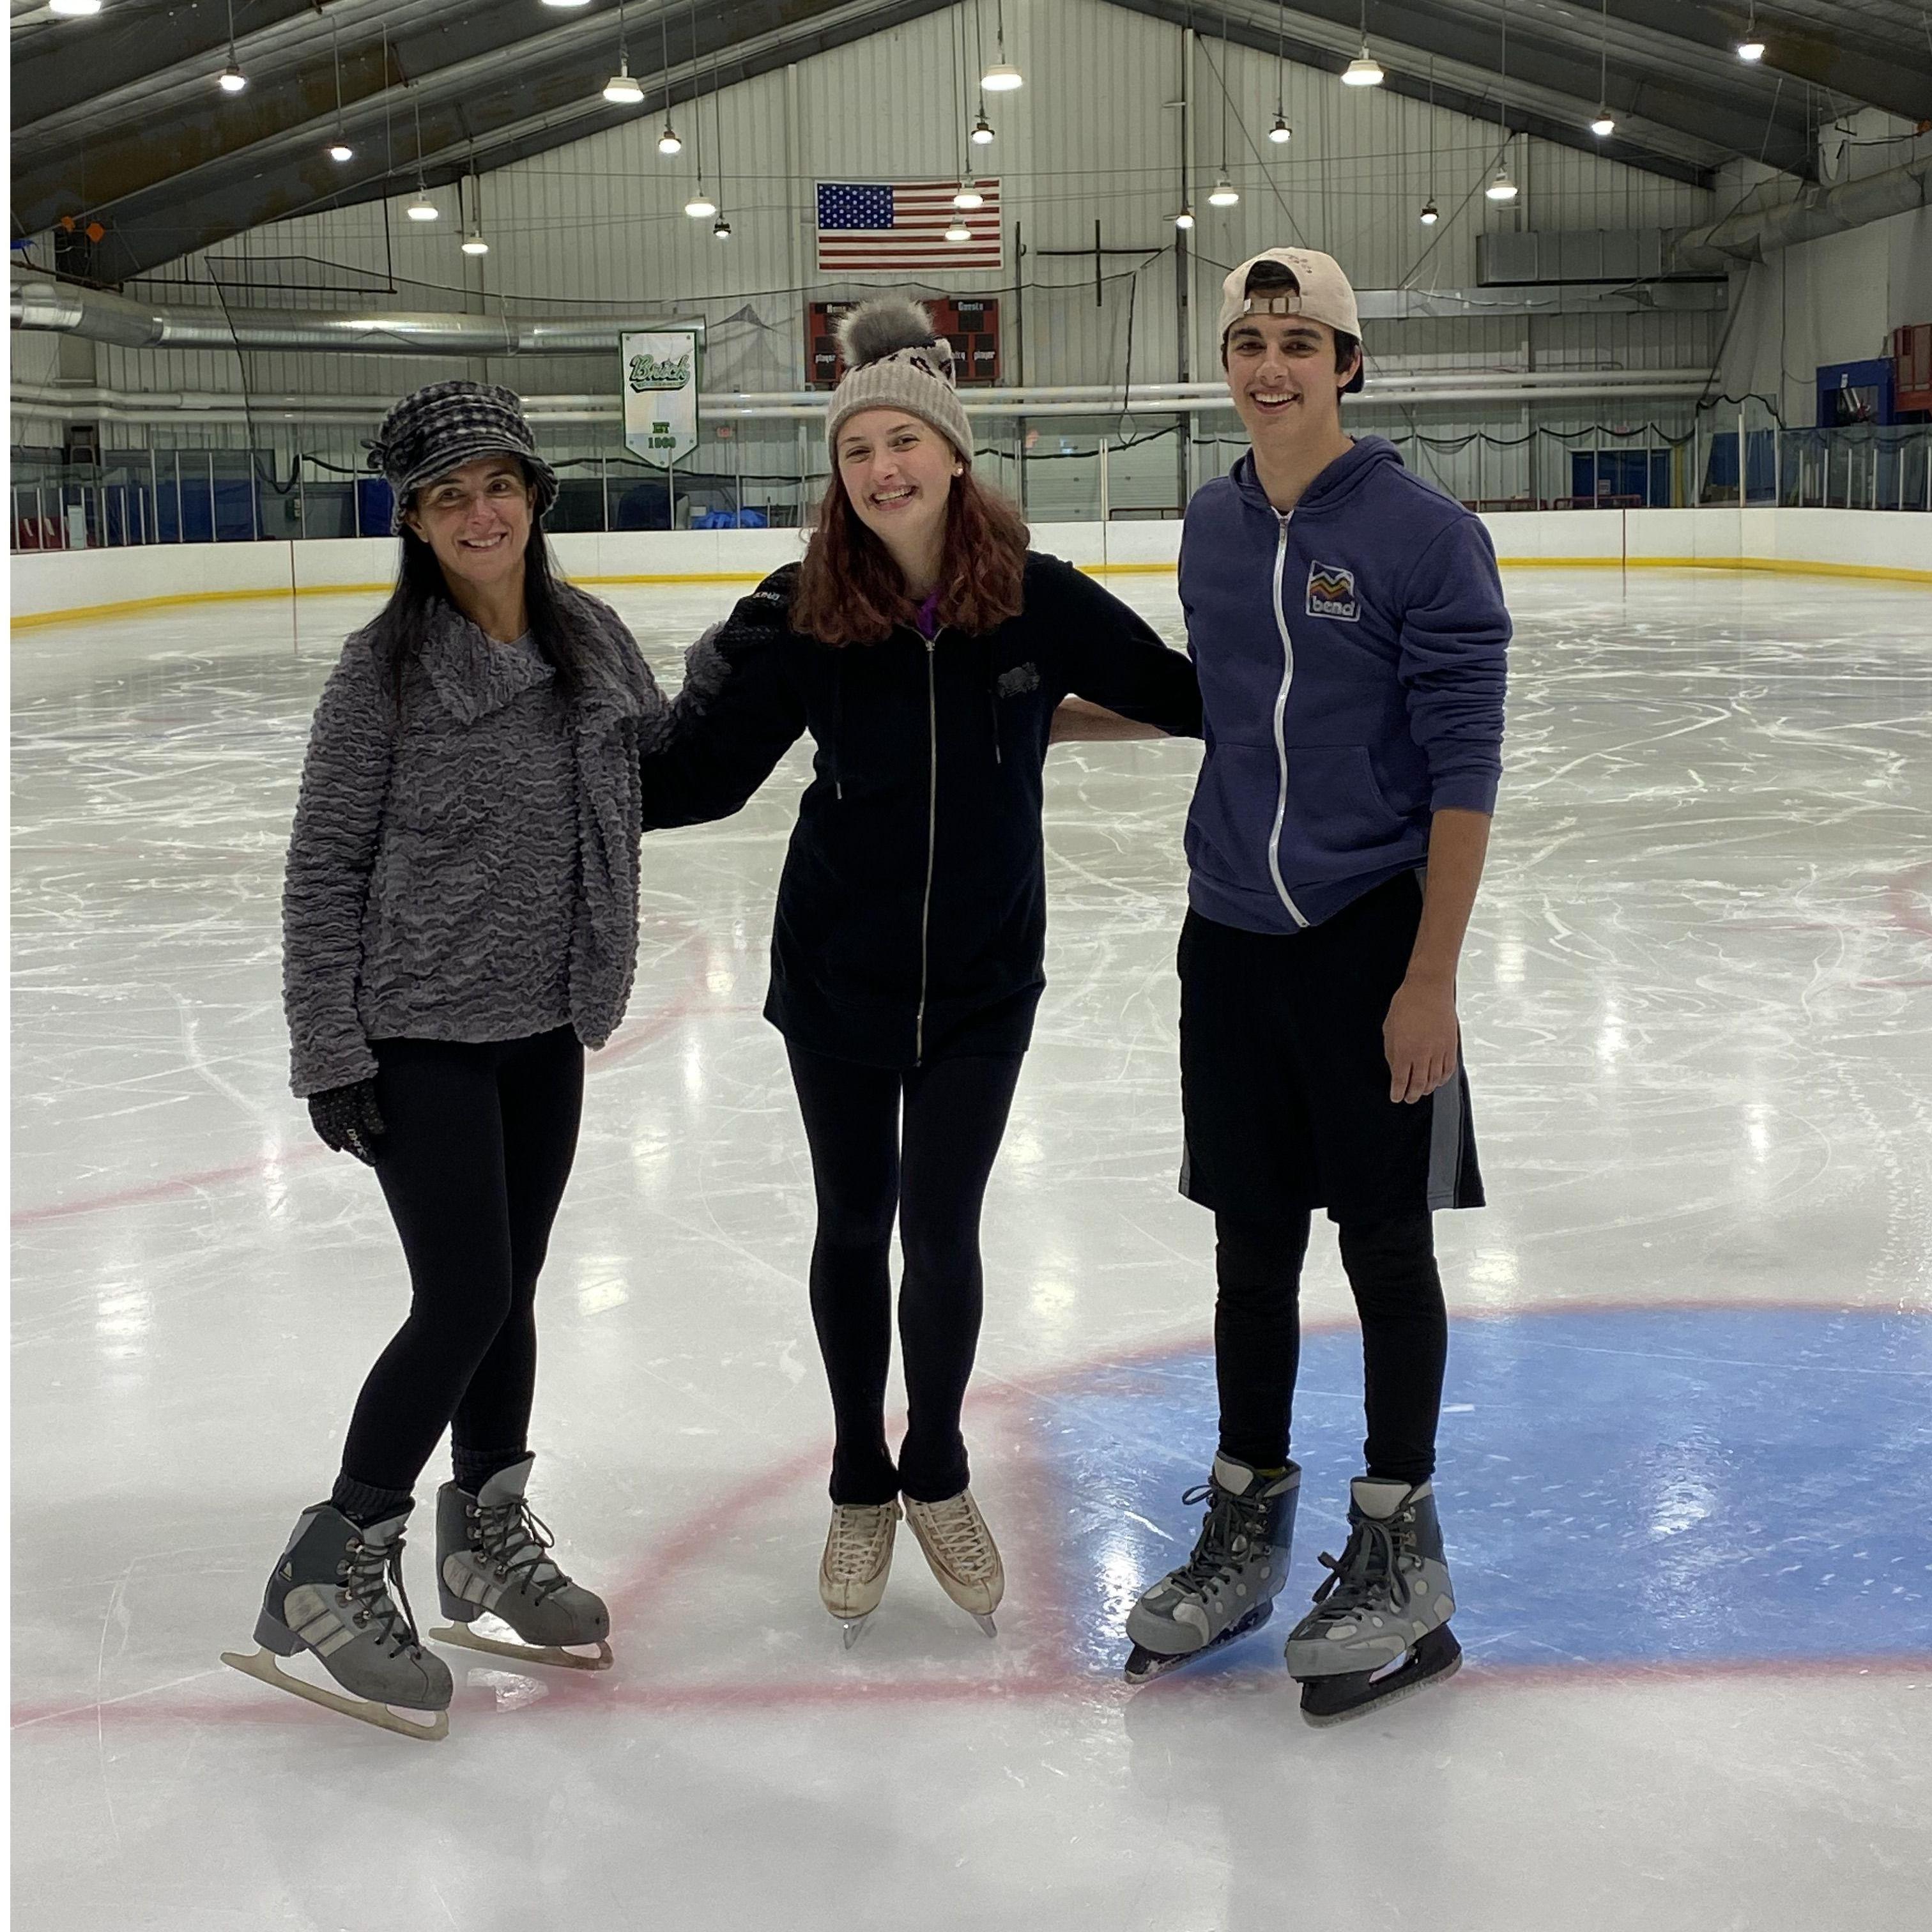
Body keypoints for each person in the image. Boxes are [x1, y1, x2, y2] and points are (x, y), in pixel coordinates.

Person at [640, 299, 1200, 1644]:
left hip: (987, 977)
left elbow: (1190, 697)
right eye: (855, 451)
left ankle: (936, 1463)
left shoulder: (1038, 599)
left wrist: (1352, 654)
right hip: (838, 969)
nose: (880, 468)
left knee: (943, 1230)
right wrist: (552, 766)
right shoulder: (805, 611)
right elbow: (701, 782)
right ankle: (856, 1475)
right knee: (852, 1226)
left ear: (954, 454)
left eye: (904, 442)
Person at [222, 381, 662, 1740]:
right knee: (463, 1292)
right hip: (415, 1028)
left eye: (499, 485)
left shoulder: (590, 638)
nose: (481, 512)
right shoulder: (387, 668)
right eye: (449, 495)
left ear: (535, 497)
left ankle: (485, 1530)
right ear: (415, 522)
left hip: (545, 1016)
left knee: (513, 1285)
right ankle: (333, 1559)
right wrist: (327, 1046)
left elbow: (670, 771)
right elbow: (324, 862)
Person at [1121, 249, 1509, 1724]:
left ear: (1349, 363)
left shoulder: (1424, 535)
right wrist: (1021, 709)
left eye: (1299, 341)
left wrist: (1431, 980)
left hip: (1368, 939)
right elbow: (1218, 700)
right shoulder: (1212, 525)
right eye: (1246, 341)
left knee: (1386, 1253)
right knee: (1248, 1251)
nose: (1270, 365)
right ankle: (1245, 1527)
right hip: (1228, 940)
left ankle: (1401, 1544)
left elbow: (1466, 776)